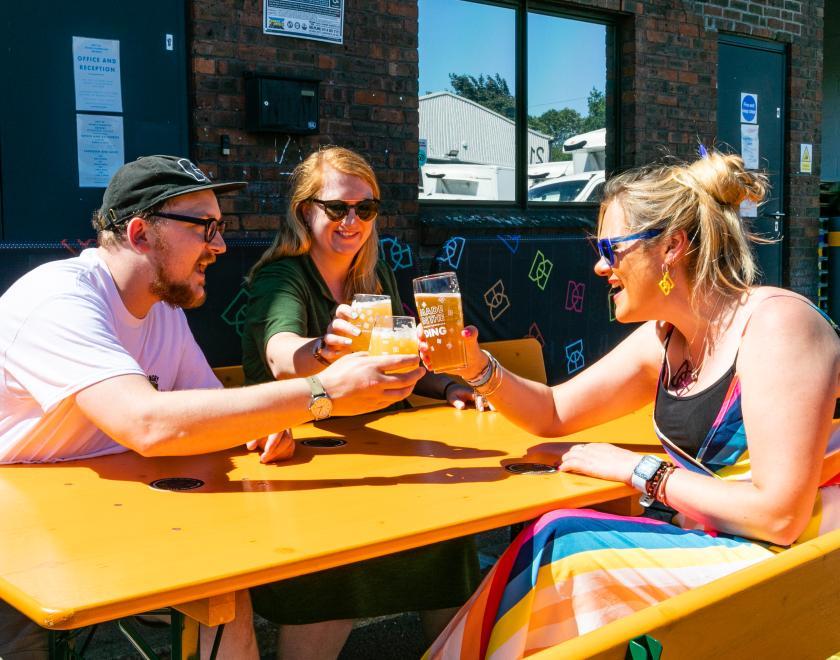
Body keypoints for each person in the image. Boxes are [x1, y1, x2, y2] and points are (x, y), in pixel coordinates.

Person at [0, 155, 424, 660]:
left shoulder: (162, 309)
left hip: (108, 509)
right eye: (205, 228)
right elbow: (148, 424)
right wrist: (322, 391)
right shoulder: (59, 299)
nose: (220, 246)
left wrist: (258, 426)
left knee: (224, 587)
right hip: (19, 536)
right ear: (139, 234)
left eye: (220, 229)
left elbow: (214, 410)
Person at [423, 152, 840, 659]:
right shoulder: (665, 338)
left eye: (610, 248)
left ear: (671, 247)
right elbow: (553, 412)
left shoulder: (777, 327)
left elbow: (779, 517)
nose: (600, 266)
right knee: (556, 548)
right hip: (722, 550)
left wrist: (636, 470)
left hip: (792, 568)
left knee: (561, 545)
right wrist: (476, 367)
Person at [240, 146, 481, 659]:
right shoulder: (281, 277)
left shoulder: (372, 280)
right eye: (337, 208)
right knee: (338, 554)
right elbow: (282, 357)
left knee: (448, 534)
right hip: (307, 450)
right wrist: (325, 350)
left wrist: (448, 386)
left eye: (365, 209)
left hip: (382, 441)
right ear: (305, 210)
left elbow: (391, 366)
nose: (353, 221)